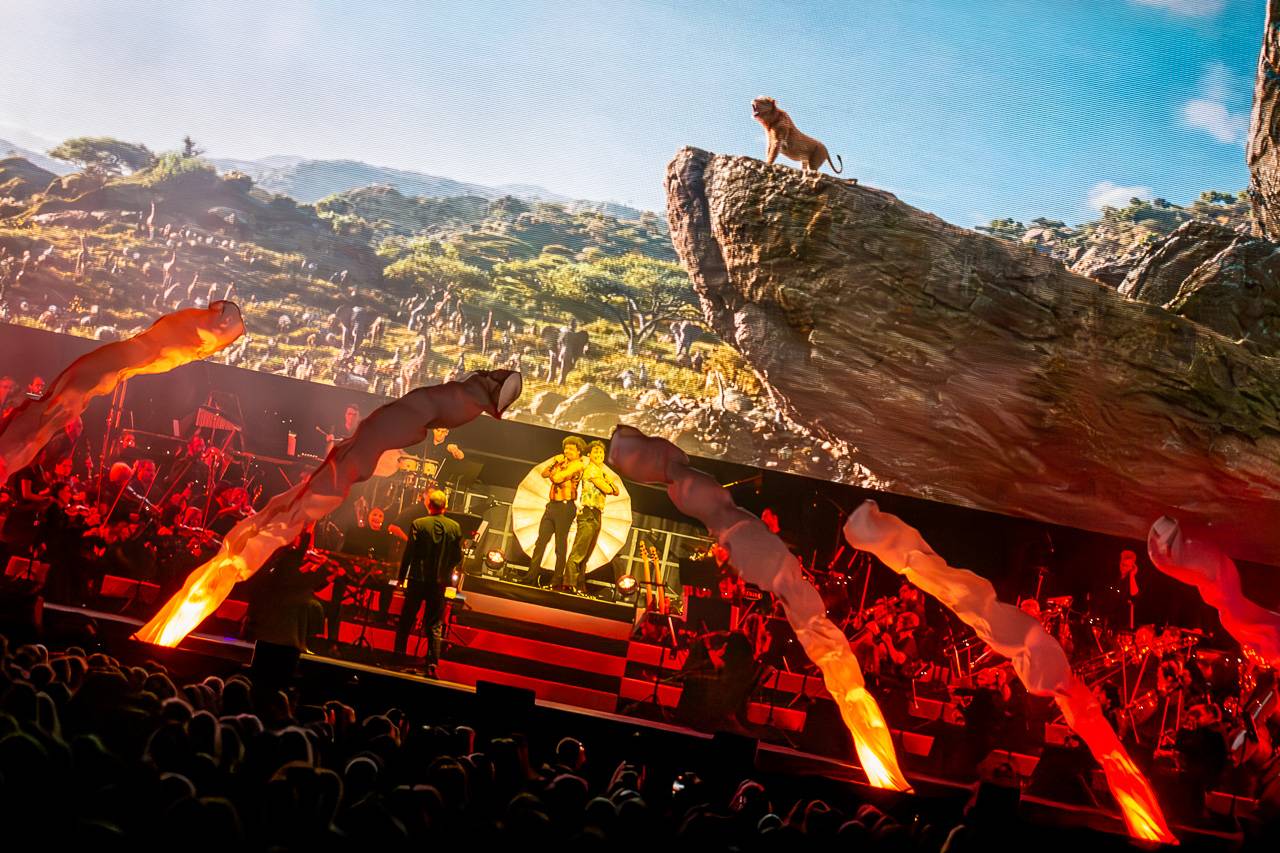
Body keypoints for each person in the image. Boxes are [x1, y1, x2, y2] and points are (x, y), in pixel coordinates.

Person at [396, 489, 462, 676]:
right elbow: (457, 557)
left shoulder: (419, 524)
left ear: (429, 505)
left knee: (407, 619)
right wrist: (446, 573)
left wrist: (401, 577)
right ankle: (432, 663)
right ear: (445, 506)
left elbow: (409, 553)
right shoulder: (455, 527)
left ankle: (398, 655)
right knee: (434, 624)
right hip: (439, 583)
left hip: (417, 579)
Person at [520, 437, 586, 587]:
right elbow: (544, 473)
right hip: (552, 505)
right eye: (566, 448)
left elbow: (557, 478)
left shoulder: (578, 465)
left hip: (565, 507)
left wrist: (555, 470)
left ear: (578, 451)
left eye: (571, 449)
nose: (567, 451)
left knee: (560, 545)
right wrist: (554, 463)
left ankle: (557, 580)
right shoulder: (562, 462)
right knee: (540, 542)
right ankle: (530, 577)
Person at [557, 440, 619, 594]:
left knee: (586, 556)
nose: (599, 454)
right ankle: (568, 584)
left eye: (601, 452)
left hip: (597, 514)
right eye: (596, 452)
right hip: (588, 513)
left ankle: (579, 585)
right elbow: (608, 489)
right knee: (578, 553)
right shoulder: (591, 469)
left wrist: (609, 482)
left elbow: (617, 491)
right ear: (589, 454)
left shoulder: (601, 472)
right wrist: (609, 483)